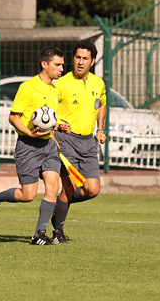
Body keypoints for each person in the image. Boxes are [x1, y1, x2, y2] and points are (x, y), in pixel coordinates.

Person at [0, 46, 64, 246]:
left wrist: (57, 129)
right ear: (45, 64)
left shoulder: (54, 89)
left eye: (62, 65)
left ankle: (39, 234)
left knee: (53, 187)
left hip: (48, 145)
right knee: (28, 195)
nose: (61, 69)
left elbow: (47, 119)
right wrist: (28, 132)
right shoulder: (28, 87)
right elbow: (13, 117)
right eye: (57, 65)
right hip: (28, 146)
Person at [51, 40, 107, 244]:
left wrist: (100, 128)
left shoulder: (98, 83)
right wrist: (56, 128)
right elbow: (47, 110)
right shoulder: (61, 83)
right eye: (77, 58)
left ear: (92, 61)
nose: (80, 62)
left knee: (92, 189)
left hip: (88, 142)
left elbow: (102, 103)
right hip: (66, 141)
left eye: (85, 58)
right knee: (69, 185)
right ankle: (58, 232)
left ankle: (58, 207)